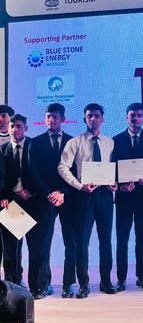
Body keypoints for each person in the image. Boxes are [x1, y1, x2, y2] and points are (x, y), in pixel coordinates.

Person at [58, 103, 117, 298]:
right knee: (82, 241)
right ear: (85, 119)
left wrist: (114, 182)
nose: (93, 118)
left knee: (106, 241)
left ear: (102, 119)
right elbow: (62, 167)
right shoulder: (75, 142)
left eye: (97, 115)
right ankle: (84, 284)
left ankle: (106, 281)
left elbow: (113, 167)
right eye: (89, 115)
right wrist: (79, 185)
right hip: (84, 195)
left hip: (105, 196)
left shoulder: (110, 142)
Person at [30, 103, 74, 299]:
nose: (51, 120)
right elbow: (33, 172)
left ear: (62, 119)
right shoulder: (36, 142)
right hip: (45, 198)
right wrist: (49, 193)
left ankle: (68, 284)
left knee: (70, 242)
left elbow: (75, 170)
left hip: (67, 197)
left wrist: (62, 191)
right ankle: (43, 285)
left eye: (55, 117)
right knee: (43, 243)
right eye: (48, 116)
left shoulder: (72, 141)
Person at [112, 103, 143, 291]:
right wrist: (120, 186)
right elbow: (111, 168)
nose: (135, 118)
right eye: (132, 115)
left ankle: (142, 277)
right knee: (122, 240)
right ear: (126, 117)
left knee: (142, 239)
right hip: (124, 199)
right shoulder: (116, 141)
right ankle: (121, 279)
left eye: (139, 115)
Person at [0, 114, 37, 286]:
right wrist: (3, 196)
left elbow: (41, 173)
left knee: (34, 246)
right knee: (10, 248)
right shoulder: (2, 150)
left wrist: (32, 191)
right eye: (12, 126)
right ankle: (11, 285)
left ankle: (30, 283)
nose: (15, 130)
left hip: (32, 201)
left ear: (26, 128)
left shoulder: (34, 147)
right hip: (11, 202)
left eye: (19, 126)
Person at [0, 105, 15, 273]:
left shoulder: (20, 140)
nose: (0, 119)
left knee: (13, 244)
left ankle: (14, 280)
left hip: (14, 201)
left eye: (4, 115)